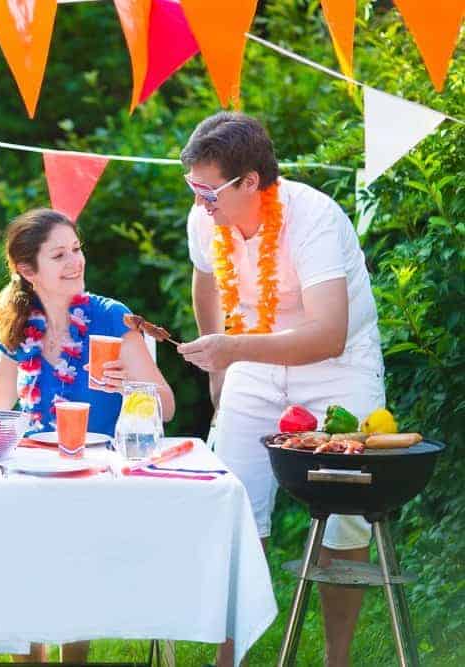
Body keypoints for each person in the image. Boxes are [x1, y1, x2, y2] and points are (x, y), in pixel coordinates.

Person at [176, 111, 385, 667]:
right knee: (232, 506)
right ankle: (229, 659)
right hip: (251, 357)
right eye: (192, 187)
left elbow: (328, 332)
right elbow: (206, 281)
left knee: (347, 512)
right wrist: (220, 366)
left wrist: (233, 350)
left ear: (250, 182)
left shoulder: (313, 217)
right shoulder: (207, 218)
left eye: (209, 189)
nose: (200, 201)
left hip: (340, 364)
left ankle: (336, 658)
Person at [0, 208, 175, 662]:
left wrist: (130, 388)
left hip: (99, 477)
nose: (75, 262)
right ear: (27, 270)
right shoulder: (19, 323)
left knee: (67, 554)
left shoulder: (112, 317)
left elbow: (166, 405)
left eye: (76, 250)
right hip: (33, 468)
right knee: (16, 552)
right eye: (59, 255)